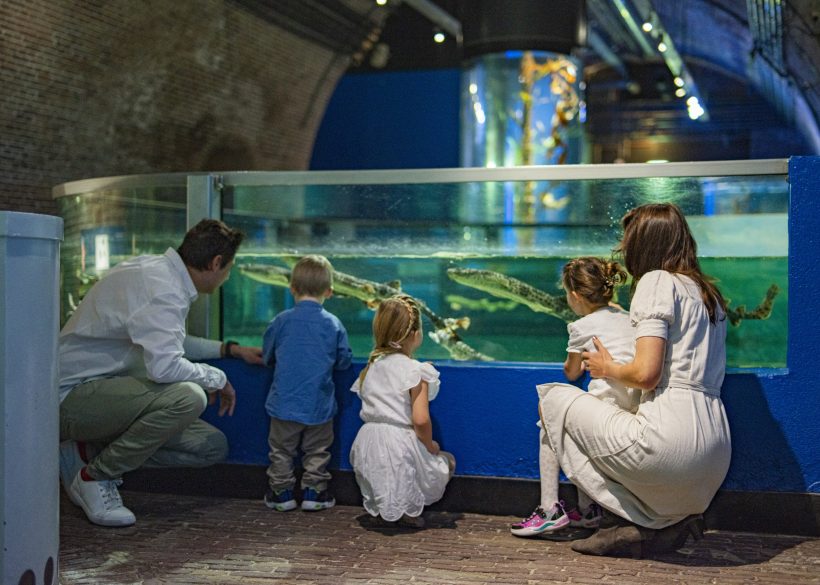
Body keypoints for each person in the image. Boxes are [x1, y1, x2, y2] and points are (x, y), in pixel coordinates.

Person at [539, 203, 731, 558]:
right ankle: (661, 525)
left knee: (552, 400)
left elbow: (646, 374)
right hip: (715, 457)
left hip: (670, 445)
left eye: (628, 239)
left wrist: (605, 367)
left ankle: (616, 522)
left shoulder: (657, 281)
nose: (623, 248)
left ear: (645, 242)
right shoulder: (707, 293)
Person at [58, 219, 264, 527]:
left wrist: (229, 349)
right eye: (229, 268)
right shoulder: (163, 290)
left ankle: (88, 451)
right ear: (216, 262)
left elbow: (168, 341)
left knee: (210, 446)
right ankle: (95, 476)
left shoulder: (156, 273)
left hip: (109, 398)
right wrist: (217, 378)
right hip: (71, 399)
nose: (227, 276)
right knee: (189, 397)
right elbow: (164, 366)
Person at [511, 257, 639, 537]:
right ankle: (588, 509)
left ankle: (548, 510)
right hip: (635, 415)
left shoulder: (580, 326)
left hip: (606, 417)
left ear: (575, 295)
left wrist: (578, 357)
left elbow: (571, 373)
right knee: (567, 425)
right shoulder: (630, 319)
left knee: (549, 415)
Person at [349, 294, 455, 528]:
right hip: (399, 443)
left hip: (366, 443)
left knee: (387, 468)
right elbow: (420, 420)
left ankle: (384, 508)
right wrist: (430, 446)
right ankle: (408, 511)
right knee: (447, 461)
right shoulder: (416, 371)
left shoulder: (369, 368)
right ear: (415, 334)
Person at [262, 255, 352, 512]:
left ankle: (281, 494)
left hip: (284, 403)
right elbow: (343, 361)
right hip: (319, 404)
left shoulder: (280, 321)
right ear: (330, 291)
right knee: (318, 450)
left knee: (280, 450)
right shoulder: (334, 324)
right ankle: (315, 492)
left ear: (292, 288)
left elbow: (268, 354)